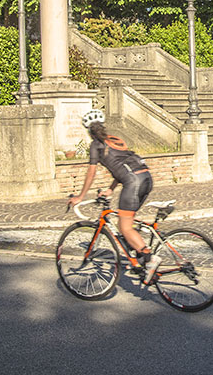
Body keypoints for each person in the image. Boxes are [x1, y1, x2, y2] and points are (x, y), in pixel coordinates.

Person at [68, 110, 161, 283]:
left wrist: (80, 196)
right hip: (146, 178)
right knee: (128, 220)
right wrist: (110, 189)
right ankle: (139, 258)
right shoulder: (115, 140)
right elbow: (123, 166)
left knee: (124, 227)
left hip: (133, 183)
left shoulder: (96, 145)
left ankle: (149, 258)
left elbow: (91, 172)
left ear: (88, 130)